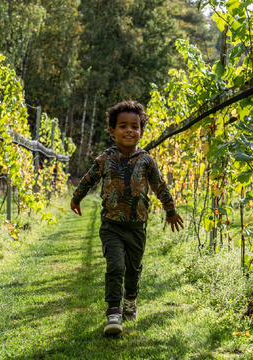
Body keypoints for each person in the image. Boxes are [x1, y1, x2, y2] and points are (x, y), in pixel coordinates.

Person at [71, 100, 183, 336]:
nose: (129, 130)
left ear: (141, 131)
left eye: (135, 126)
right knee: (116, 266)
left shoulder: (146, 160)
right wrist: (76, 198)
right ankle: (113, 312)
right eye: (123, 126)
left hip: (137, 228)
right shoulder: (105, 160)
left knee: (133, 268)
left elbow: (159, 186)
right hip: (111, 225)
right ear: (112, 131)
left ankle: (130, 301)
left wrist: (170, 209)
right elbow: (89, 180)